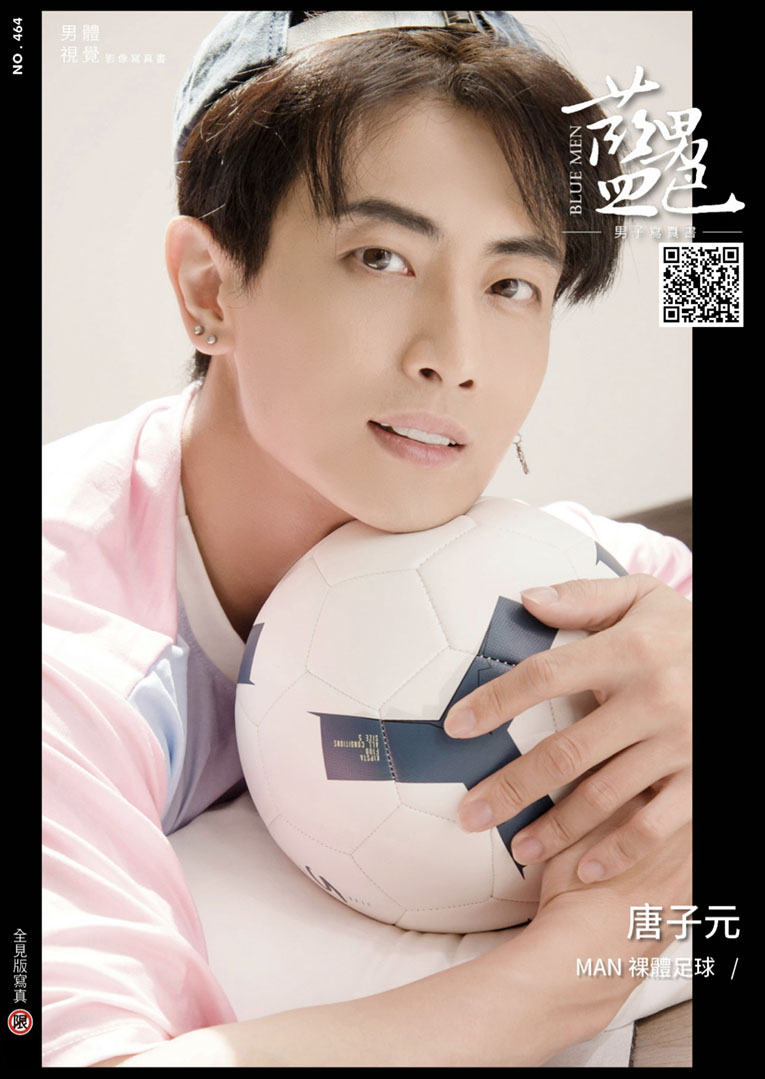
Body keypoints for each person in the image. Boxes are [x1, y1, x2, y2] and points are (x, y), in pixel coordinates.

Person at [42, 11, 692, 1068]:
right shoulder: (71, 640)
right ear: (210, 288)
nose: (454, 355)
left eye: (511, 284)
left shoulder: (548, 580)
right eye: (381, 257)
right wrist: (571, 973)